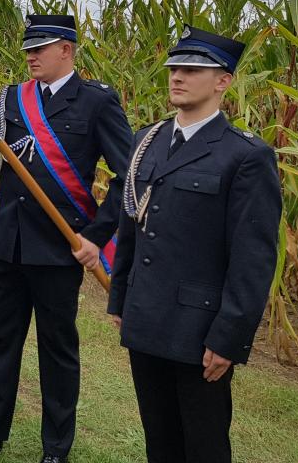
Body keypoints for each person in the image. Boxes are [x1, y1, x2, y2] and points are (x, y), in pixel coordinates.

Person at [0, 14, 133, 463]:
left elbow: (129, 179)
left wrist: (93, 236)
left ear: (66, 50)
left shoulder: (97, 102)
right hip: (7, 242)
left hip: (58, 248)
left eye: (40, 48)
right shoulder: (13, 98)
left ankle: (55, 448)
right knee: (3, 341)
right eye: (28, 48)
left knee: (57, 349)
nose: (30, 56)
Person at [108, 25, 281, 463]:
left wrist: (228, 338)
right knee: (159, 439)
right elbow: (133, 222)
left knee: (203, 445)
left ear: (223, 81)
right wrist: (120, 299)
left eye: (191, 69)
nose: (177, 76)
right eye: (174, 68)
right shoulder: (146, 139)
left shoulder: (244, 155)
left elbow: (252, 258)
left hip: (199, 330)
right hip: (147, 317)